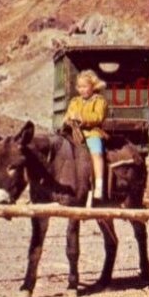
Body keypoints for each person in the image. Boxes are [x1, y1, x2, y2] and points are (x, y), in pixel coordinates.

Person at [64, 70, 108, 200]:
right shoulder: (74, 101)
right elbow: (67, 115)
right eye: (79, 87)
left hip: (92, 132)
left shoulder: (99, 100)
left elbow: (98, 116)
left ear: (92, 86)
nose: (82, 90)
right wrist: (68, 119)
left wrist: (81, 117)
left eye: (85, 86)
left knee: (96, 153)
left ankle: (99, 185)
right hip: (75, 133)